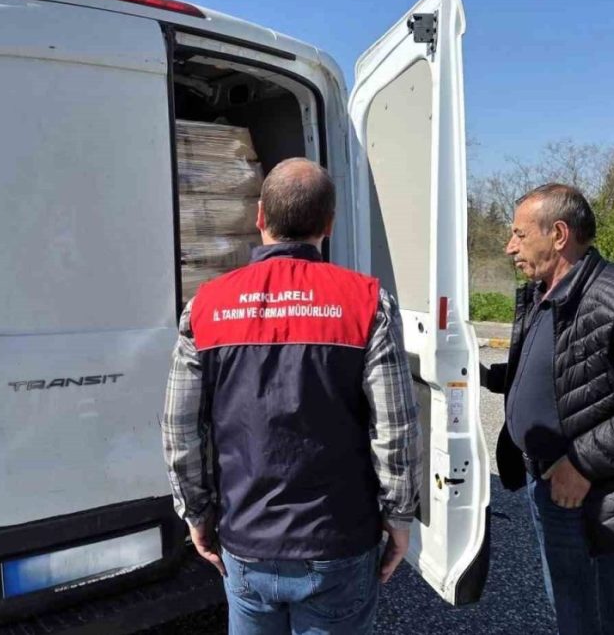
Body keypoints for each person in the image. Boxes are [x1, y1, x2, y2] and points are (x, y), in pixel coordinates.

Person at [162, 157, 421, 635]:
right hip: (337, 540)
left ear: (259, 216)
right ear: (329, 223)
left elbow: (181, 429)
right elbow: (395, 427)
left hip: (247, 539)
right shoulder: (367, 302)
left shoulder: (205, 306)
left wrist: (196, 513)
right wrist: (399, 516)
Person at [482, 183, 614, 635]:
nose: (509, 247)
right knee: (570, 604)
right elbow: (563, 374)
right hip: (547, 479)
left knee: (588, 615)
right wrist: (485, 376)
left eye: (520, 234)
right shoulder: (546, 293)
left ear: (558, 234)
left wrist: (580, 463)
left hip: (583, 492)